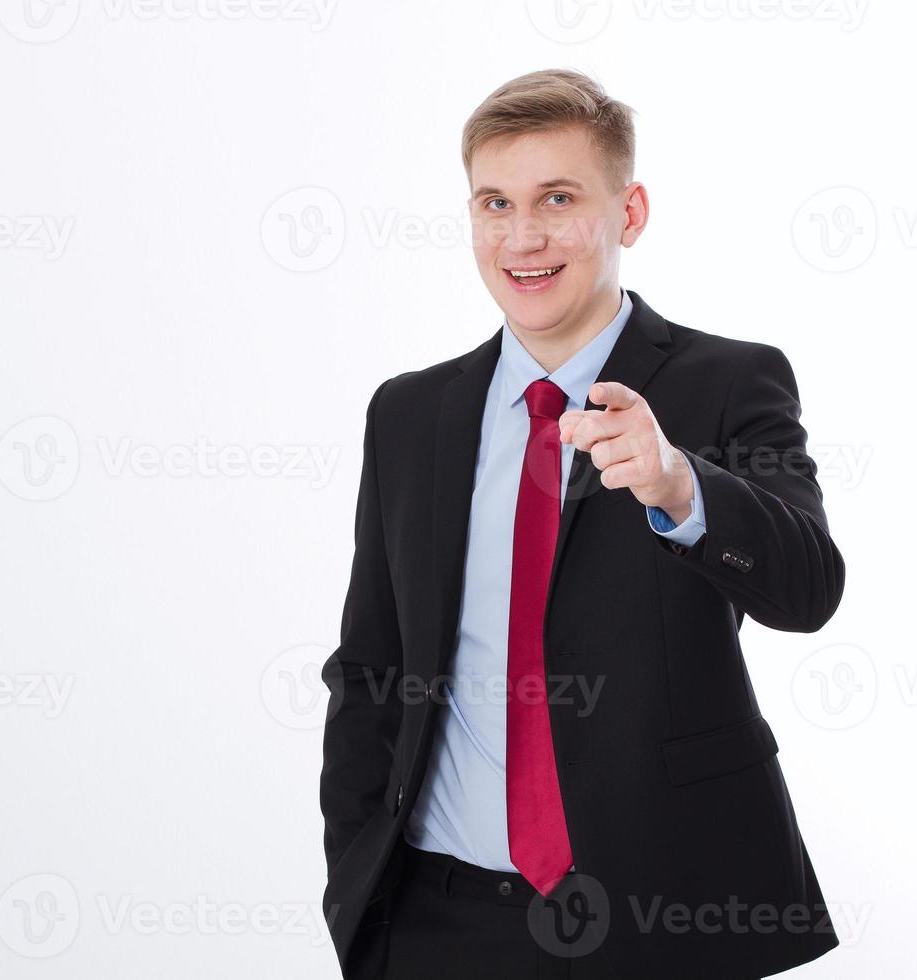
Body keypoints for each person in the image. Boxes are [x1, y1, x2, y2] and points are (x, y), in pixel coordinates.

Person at [319, 68, 845, 980]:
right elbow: (371, 664)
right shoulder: (408, 414)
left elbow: (809, 590)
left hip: (663, 914)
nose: (523, 237)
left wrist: (683, 486)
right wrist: (355, 882)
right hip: (439, 918)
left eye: (557, 199)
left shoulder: (729, 382)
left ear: (629, 212)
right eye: (495, 202)